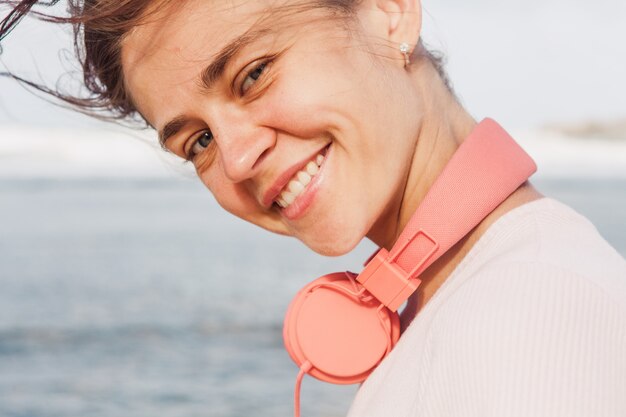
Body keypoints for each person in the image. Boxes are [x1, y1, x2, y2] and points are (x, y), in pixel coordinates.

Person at [1, 1, 625, 416]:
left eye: (253, 75)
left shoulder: (532, 311)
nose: (238, 158)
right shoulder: (471, 293)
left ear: (388, 12)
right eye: (199, 142)